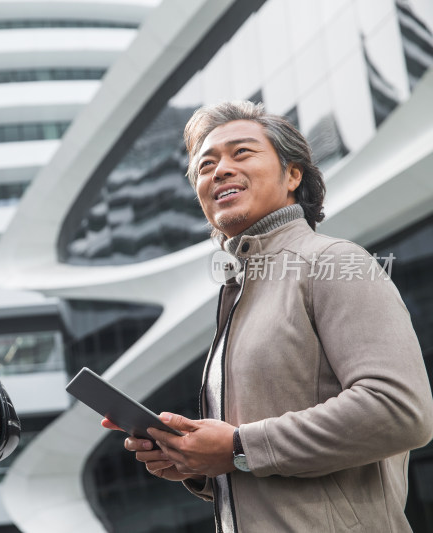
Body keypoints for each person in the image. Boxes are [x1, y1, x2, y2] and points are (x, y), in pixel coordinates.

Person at [102, 101, 433, 532]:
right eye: (206, 165)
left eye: (241, 153)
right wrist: (199, 462)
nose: (219, 170)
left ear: (292, 175)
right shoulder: (240, 289)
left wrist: (238, 446)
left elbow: (400, 410)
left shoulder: (333, 262)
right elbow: (266, 460)